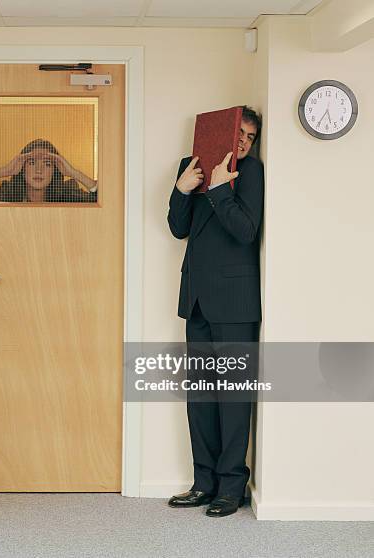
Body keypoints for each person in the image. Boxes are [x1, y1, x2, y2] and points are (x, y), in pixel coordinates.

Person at [166, 106, 265, 518]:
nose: (242, 141)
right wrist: (183, 189)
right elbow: (178, 227)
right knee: (201, 397)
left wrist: (222, 188)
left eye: (249, 136)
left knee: (234, 397)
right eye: (238, 132)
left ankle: (231, 487)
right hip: (197, 299)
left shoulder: (252, 172)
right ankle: (203, 483)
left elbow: (246, 231)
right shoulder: (191, 166)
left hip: (236, 301)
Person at [0, 139, 97, 203]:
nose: (38, 170)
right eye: (32, 162)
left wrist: (74, 173)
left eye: (47, 164)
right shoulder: (5, 195)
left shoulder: (68, 196)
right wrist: (4, 171)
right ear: (22, 168)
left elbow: (107, 205)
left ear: (54, 170)